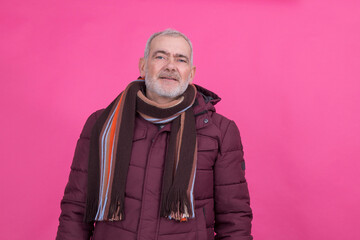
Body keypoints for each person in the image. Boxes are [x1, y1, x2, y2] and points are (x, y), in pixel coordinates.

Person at [56, 29, 253, 240]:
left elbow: (234, 219)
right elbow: (75, 209)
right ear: (143, 65)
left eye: (181, 59)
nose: (170, 66)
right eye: (160, 56)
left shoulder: (219, 131)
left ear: (191, 73)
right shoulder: (101, 124)